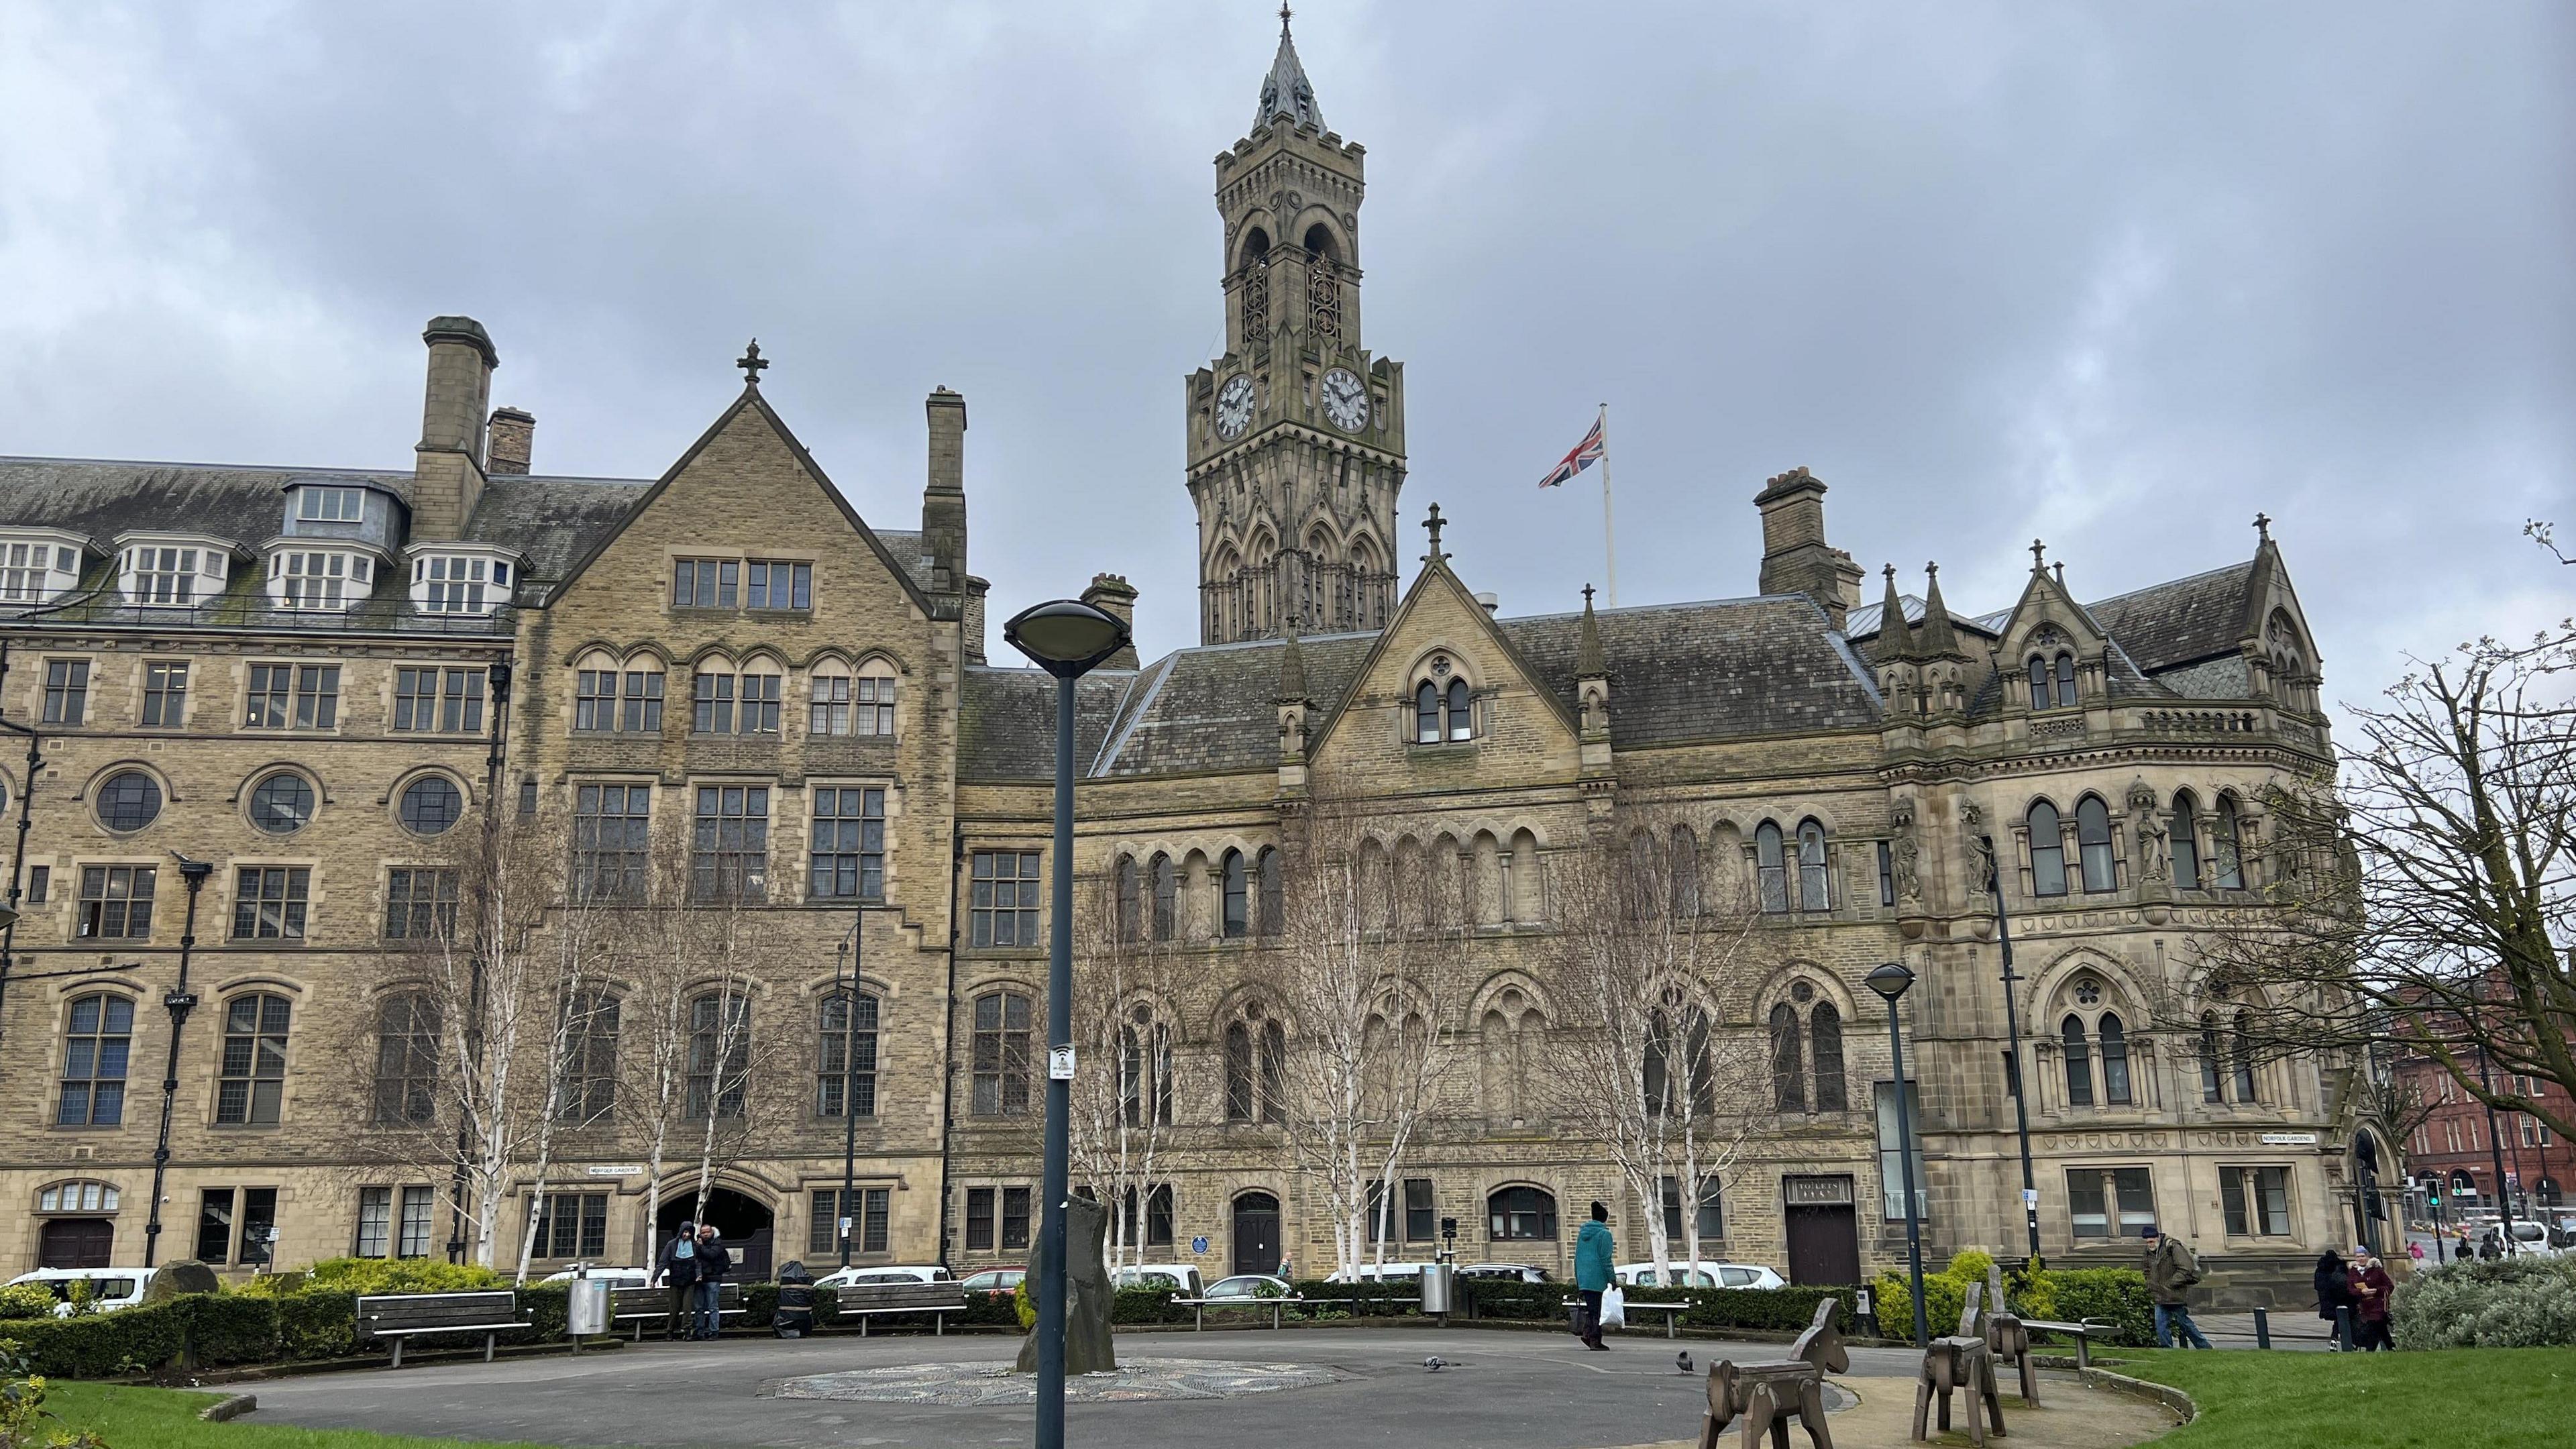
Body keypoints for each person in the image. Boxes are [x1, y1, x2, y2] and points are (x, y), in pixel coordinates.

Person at [2141, 1224, 2212, 1348]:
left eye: (2151, 1241)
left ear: (2157, 1238)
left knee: (2183, 1323)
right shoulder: (2148, 1252)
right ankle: (2167, 1350)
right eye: (2147, 1242)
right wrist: (2150, 1284)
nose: (2150, 1244)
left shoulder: (2173, 1247)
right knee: (2161, 1324)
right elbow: (2146, 1269)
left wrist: (2170, 1284)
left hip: (2174, 1293)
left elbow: (2186, 1269)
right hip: (2160, 1295)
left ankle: (2204, 1346)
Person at [1573, 1201, 1615, 1352]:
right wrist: (1612, 1279)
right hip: (1598, 1278)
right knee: (1598, 1310)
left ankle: (1588, 1334)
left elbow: (1576, 1258)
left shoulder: (1581, 1235)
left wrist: (1579, 1280)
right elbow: (1606, 1259)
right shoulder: (1604, 1234)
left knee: (1592, 1309)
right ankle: (1595, 1339)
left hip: (1584, 1278)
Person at [654, 1220, 699, 1341]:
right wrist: (655, 1278)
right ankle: (670, 1330)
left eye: (689, 1233)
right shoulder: (672, 1245)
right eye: (685, 1232)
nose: (687, 1235)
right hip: (675, 1279)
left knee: (687, 1308)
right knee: (674, 1308)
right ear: (681, 1232)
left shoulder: (694, 1246)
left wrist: (699, 1275)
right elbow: (663, 1263)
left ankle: (687, 1330)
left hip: (689, 1280)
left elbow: (698, 1263)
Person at [2349, 1248, 2395, 1351]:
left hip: (2378, 1305)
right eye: (2358, 1257)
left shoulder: (2377, 1271)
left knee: (2374, 1326)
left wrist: (2376, 1291)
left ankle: (2370, 1352)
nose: (2360, 1259)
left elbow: (2390, 1286)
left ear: (2367, 1257)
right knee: (2382, 1330)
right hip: (2364, 1307)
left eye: (2362, 1256)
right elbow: (2350, 1289)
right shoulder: (2353, 1273)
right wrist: (2361, 1292)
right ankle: (2392, 1348)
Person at [692, 1224, 731, 1340]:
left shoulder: (717, 1243)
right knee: (699, 1308)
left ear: (712, 1232)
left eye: (707, 1232)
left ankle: (714, 1331)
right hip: (700, 1279)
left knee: (712, 1307)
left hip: (713, 1278)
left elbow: (712, 1255)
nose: (705, 1234)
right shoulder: (697, 1244)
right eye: (703, 1232)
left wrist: (700, 1247)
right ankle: (699, 1331)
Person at [2313, 1248, 2353, 1350]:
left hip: (2327, 1300)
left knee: (2339, 1320)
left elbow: (2317, 1285)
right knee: (2344, 1317)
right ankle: (2344, 1340)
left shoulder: (2320, 1269)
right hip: (2340, 1299)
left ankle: (2335, 1339)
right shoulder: (2339, 1268)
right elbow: (2343, 1283)